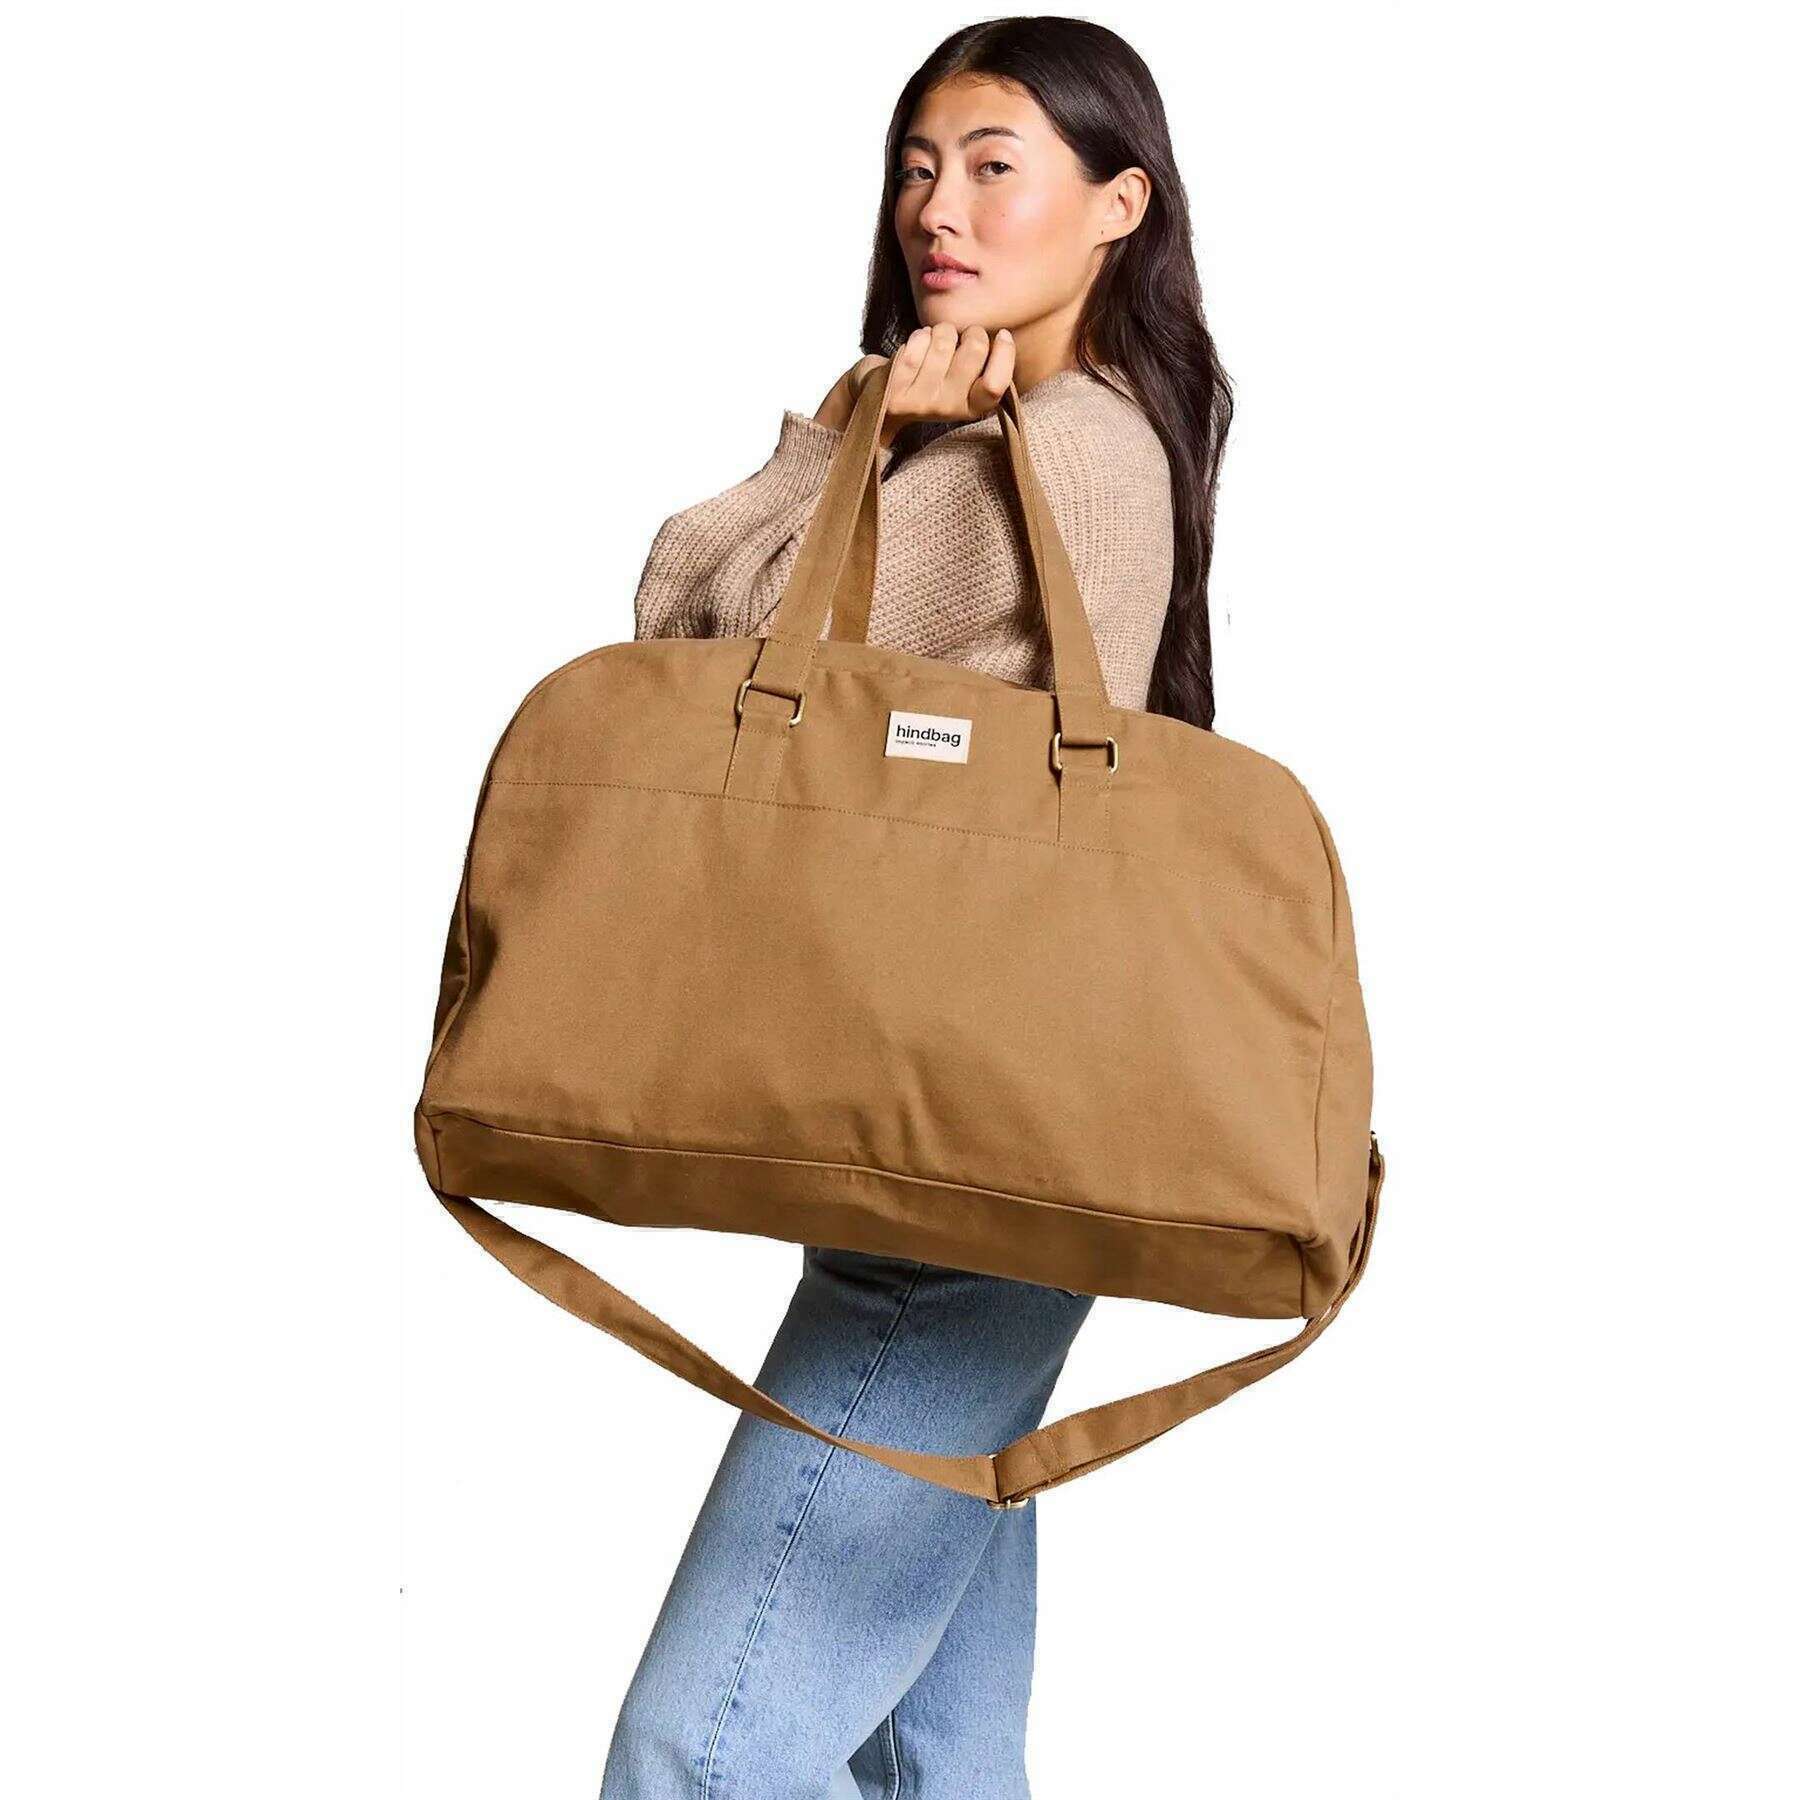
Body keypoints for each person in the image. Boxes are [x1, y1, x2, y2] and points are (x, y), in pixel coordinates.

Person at [603, 17, 1233, 1797]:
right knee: (934, 1755)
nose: (935, 209)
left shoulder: (1051, 451)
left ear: (1119, 206)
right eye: (917, 168)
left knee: (694, 1755)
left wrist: (852, 436)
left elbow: (692, 644)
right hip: (980, 1132)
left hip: (955, 1191)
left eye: (993, 167)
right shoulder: (1084, 435)